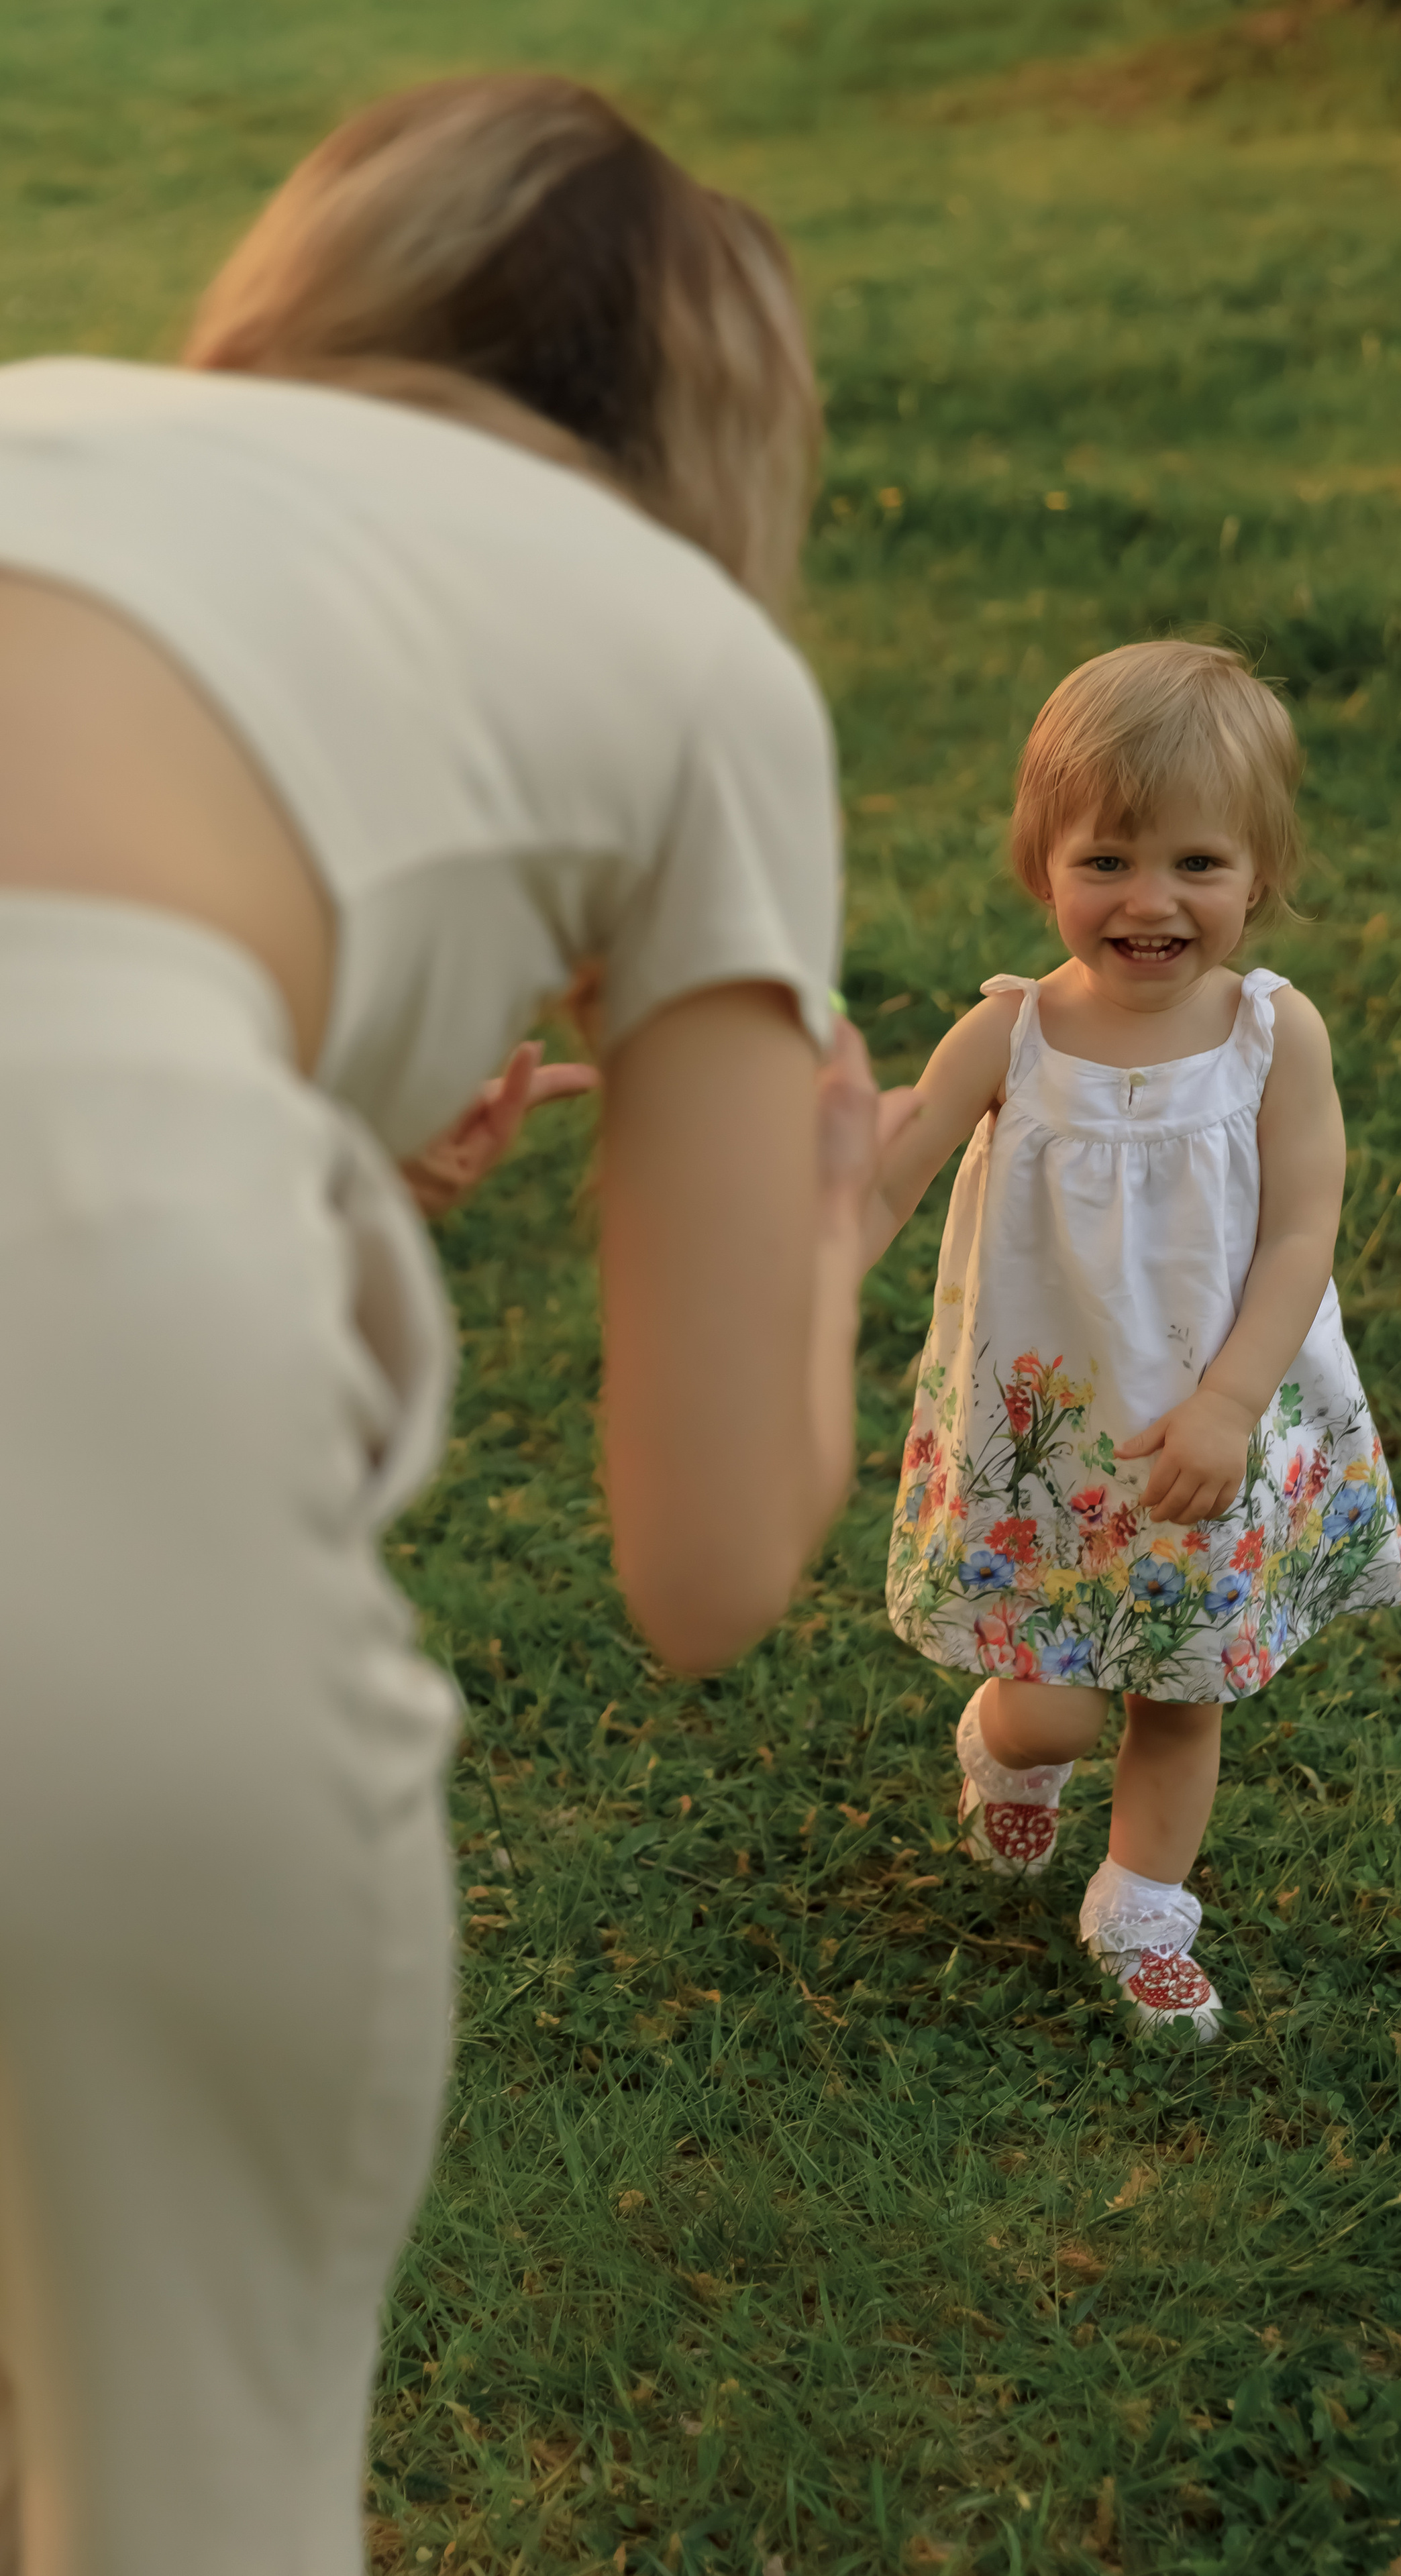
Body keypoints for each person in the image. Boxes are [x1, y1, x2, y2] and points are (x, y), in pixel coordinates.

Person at [0, 73, 903, 2576]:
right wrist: (823, 1238)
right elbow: (705, 1557)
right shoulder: (702, 663)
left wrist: (284, 1146)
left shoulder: (58, 426)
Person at [863, 641, 1401, 2039]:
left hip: (1204, 1433)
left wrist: (1231, 1401)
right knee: (1051, 1705)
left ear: (1258, 873)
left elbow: (1299, 1232)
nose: (1149, 901)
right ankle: (1008, 1756)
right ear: (1039, 862)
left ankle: (1142, 1905)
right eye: (1105, 860)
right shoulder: (1009, 1032)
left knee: (1177, 1693)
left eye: (1196, 865)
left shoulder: (1272, 1040)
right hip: (1048, 1439)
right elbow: (888, 1171)